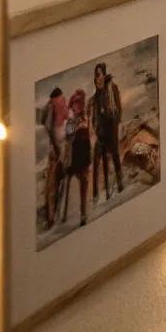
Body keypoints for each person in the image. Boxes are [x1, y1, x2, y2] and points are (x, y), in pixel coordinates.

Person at [89, 62, 123, 203]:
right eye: (95, 76)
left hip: (111, 128)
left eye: (99, 74)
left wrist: (114, 123)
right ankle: (96, 195)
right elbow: (94, 117)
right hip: (101, 132)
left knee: (115, 154)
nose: (97, 78)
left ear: (104, 74)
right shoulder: (96, 96)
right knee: (96, 158)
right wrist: (96, 128)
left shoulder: (112, 88)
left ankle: (120, 184)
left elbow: (119, 109)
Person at [61, 88, 91, 228]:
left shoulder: (84, 117)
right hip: (73, 157)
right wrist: (77, 127)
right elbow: (69, 134)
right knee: (69, 181)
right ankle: (64, 213)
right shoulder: (71, 120)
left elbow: (88, 135)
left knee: (84, 181)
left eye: (81, 103)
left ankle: (83, 213)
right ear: (73, 105)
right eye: (76, 103)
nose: (79, 105)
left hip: (83, 154)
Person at [41, 86, 68, 229]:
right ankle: (52, 215)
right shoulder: (54, 105)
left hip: (57, 149)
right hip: (57, 150)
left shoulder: (52, 105)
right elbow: (49, 127)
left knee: (57, 181)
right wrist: (57, 149)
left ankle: (53, 214)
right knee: (56, 182)